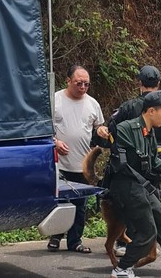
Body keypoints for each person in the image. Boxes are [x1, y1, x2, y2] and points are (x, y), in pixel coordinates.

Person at [108, 90, 161, 278]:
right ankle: (122, 269)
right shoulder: (126, 129)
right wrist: (145, 184)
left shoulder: (150, 133)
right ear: (150, 111)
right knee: (148, 232)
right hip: (127, 186)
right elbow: (122, 166)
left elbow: (153, 162)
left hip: (142, 186)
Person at [110, 65, 161, 256]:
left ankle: (130, 242)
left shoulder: (129, 106)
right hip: (157, 159)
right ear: (158, 84)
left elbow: (112, 127)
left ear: (139, 83)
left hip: (134, 164)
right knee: (156, 199)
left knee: (136, 201)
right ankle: (155, 246)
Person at [47, 65, 108, 254]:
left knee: (80, 205)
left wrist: (101, 131)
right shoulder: (54, 100)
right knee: (60, 202)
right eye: (79, 83)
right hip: (59, 162)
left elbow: (98, 126)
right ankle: (55, 237)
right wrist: (55, 142)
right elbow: (42, 128)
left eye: (86, 84)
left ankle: (75, 241)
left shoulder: (92, 104)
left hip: (82, 165)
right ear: (68, 81)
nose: (82, 87)